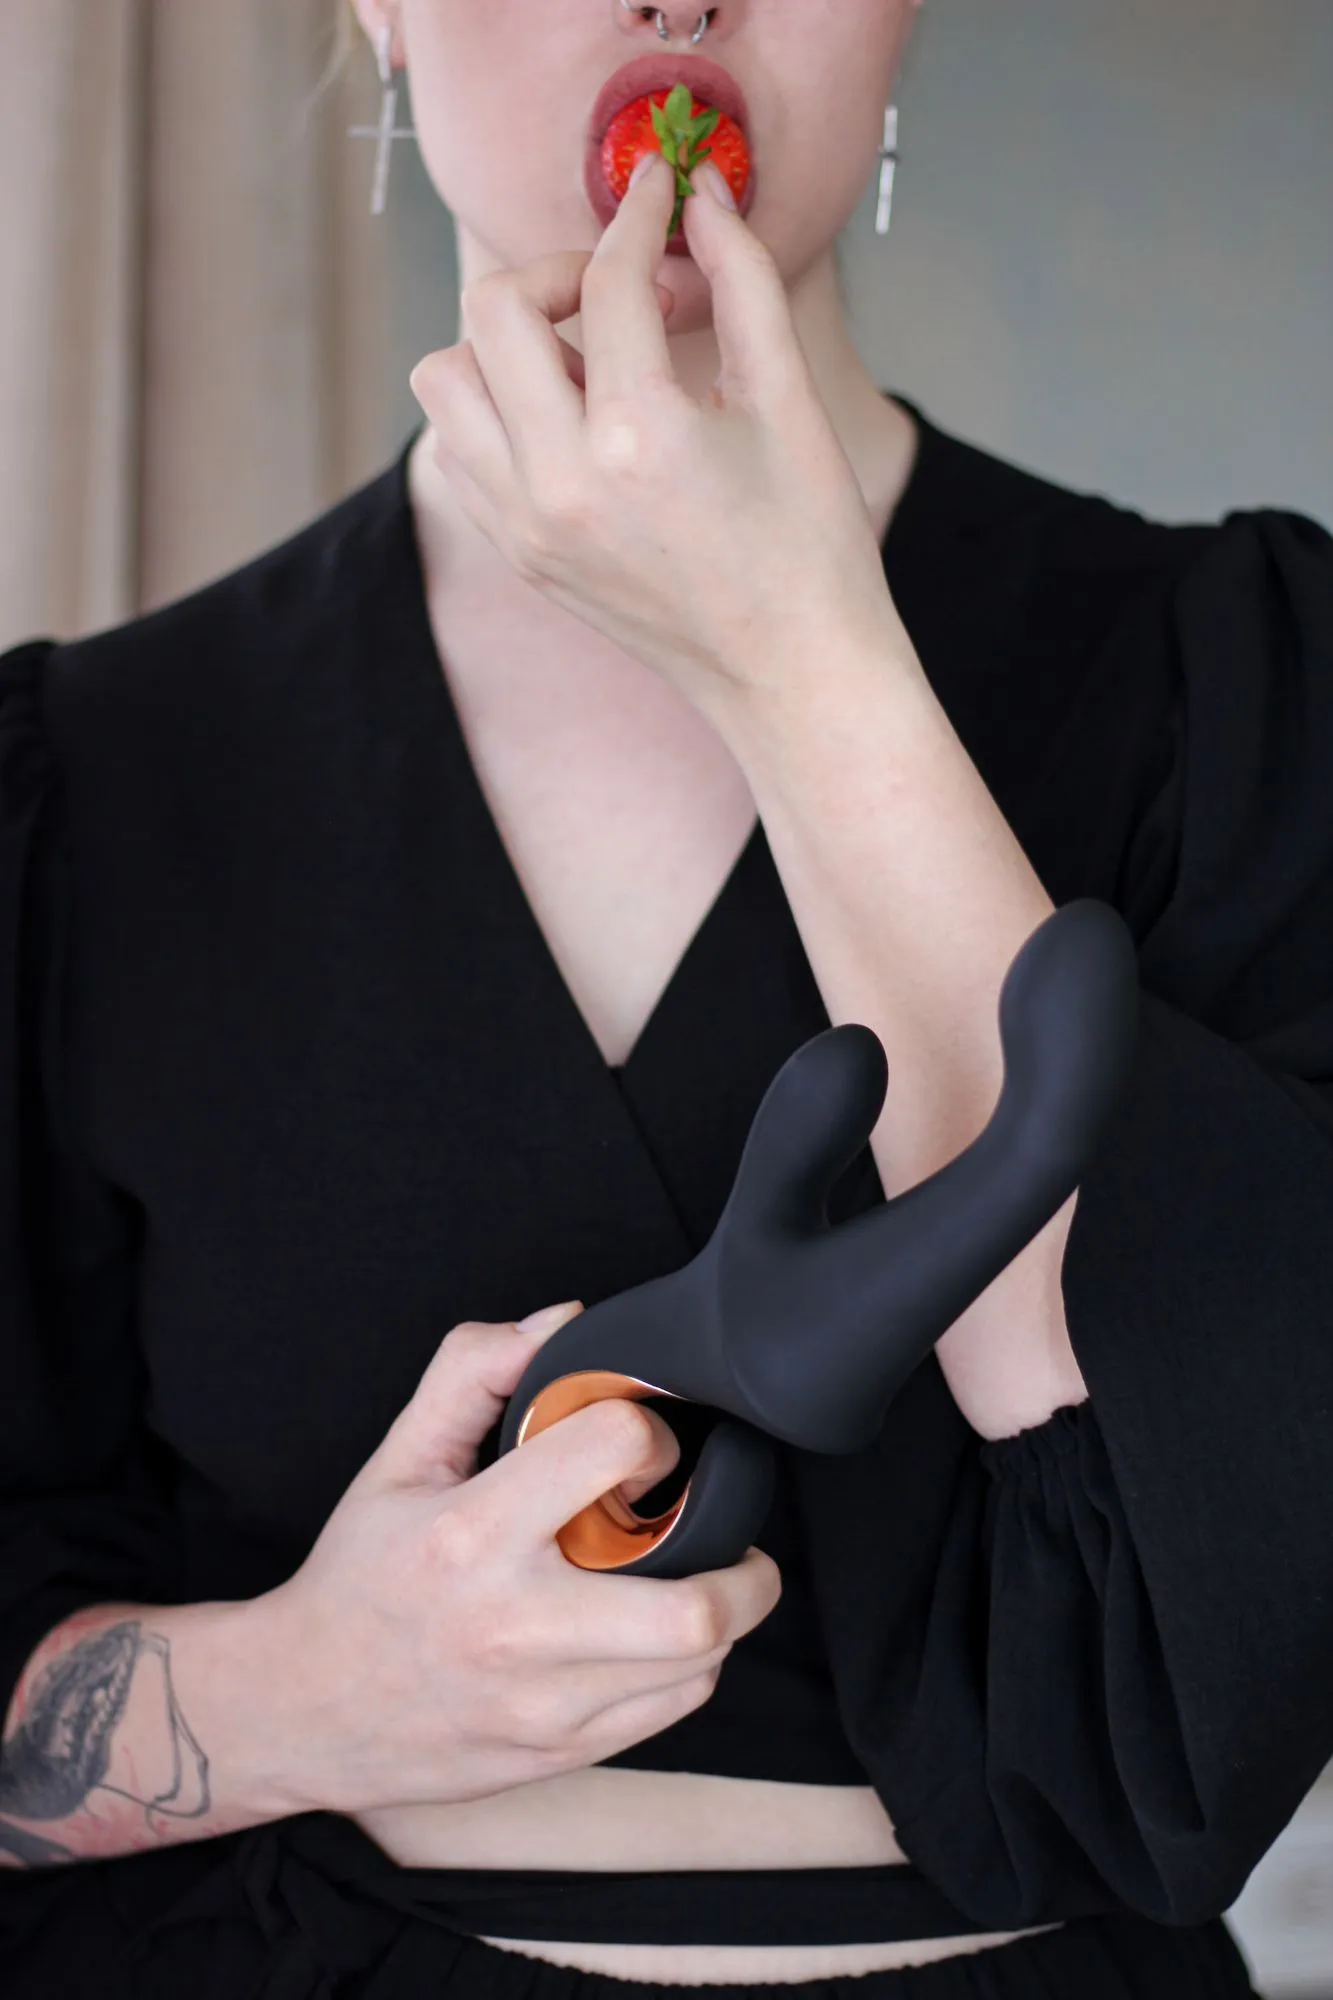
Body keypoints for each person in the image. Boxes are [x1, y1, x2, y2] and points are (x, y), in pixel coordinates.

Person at [1, 0, 1331, 1994]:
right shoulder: (84, 784)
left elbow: (1198, 1672)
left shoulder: (1236, 687)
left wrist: (799, 656)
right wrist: (307, 1693)